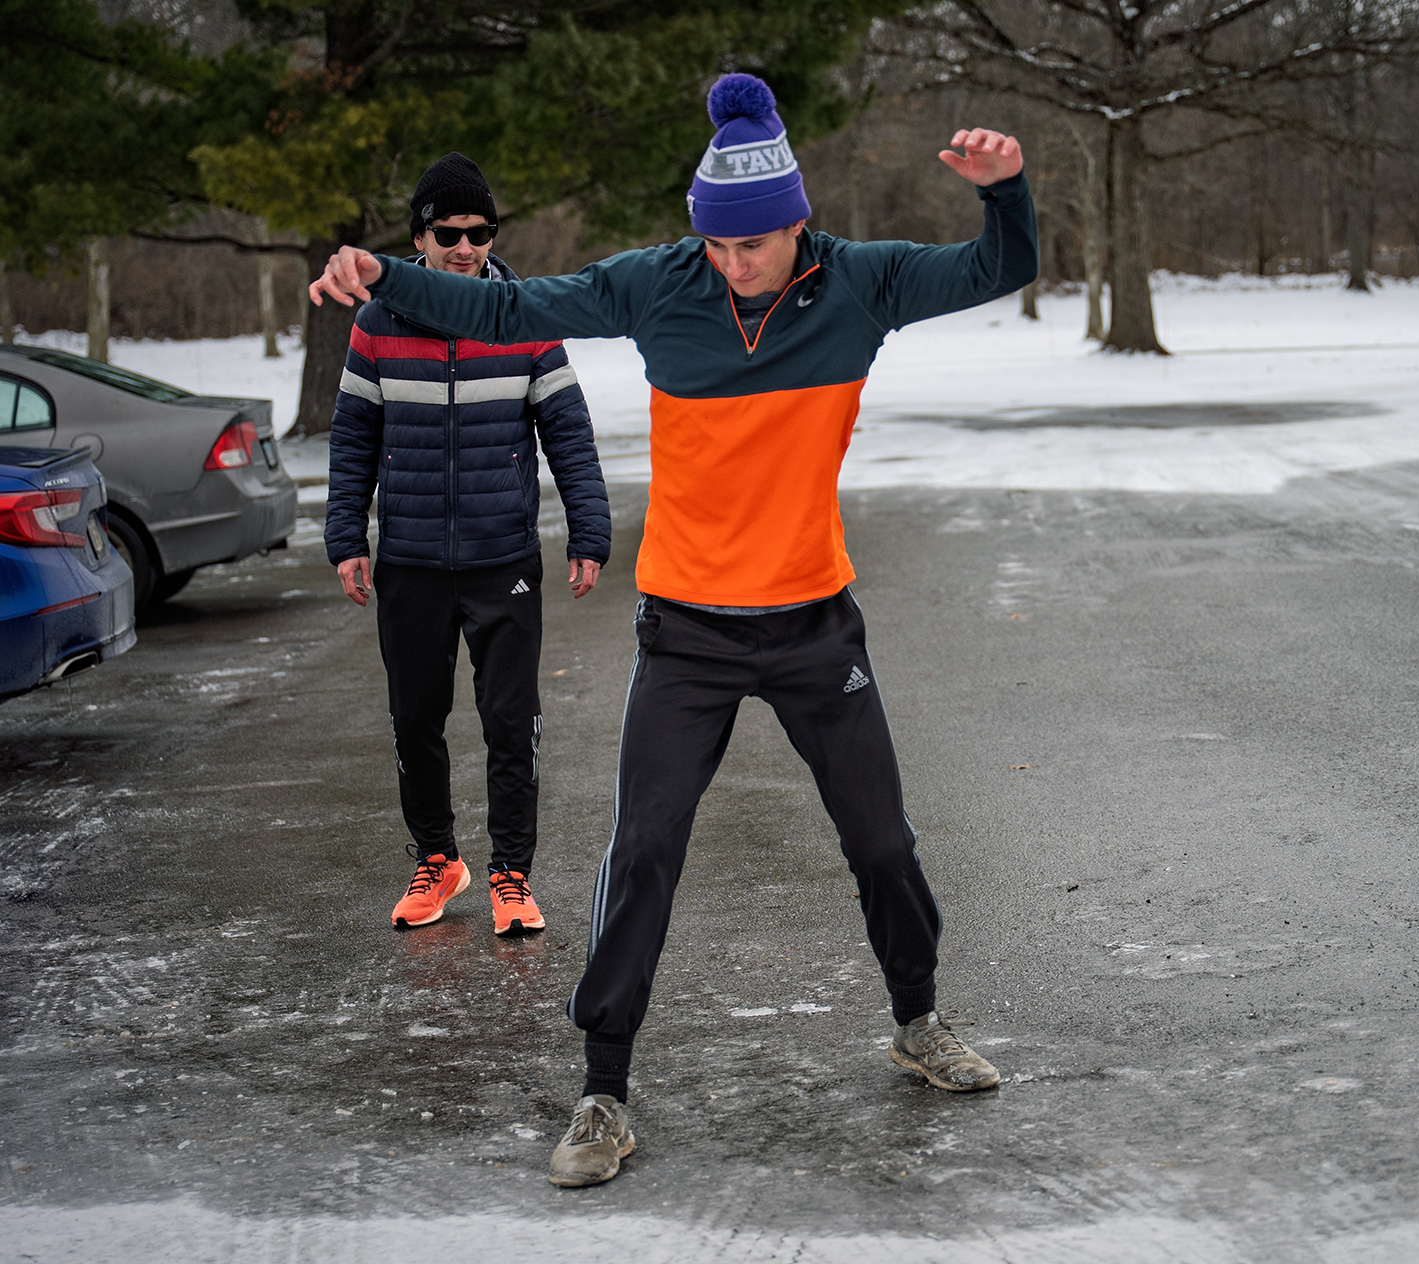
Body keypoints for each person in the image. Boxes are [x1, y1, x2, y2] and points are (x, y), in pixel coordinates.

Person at [310, 75, 1037, 1189]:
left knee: (882, 839)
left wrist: (1007, 193)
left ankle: (916, 1017)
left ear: (796, 222)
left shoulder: (863, 285)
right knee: (643, 851)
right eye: (715, 242)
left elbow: (1001, 265)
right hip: (687, 630)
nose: (730, 262)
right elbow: (511, 309)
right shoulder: (663, 285)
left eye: (750, 244)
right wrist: (384, 273)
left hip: (812, 625)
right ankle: (603, 1086)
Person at [324, 152, 611, 939]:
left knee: (510, 723)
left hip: (502, 560)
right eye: (449, 232)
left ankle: (511, 876)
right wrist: (346, 536)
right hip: (411, 563)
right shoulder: (376, 325)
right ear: (419, 237)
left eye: (480, 232)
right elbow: (353, 437)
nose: (465, 246)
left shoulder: (523, 316)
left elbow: (568, 433)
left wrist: (589, 530)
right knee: (415, 718)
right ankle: (437, 860)